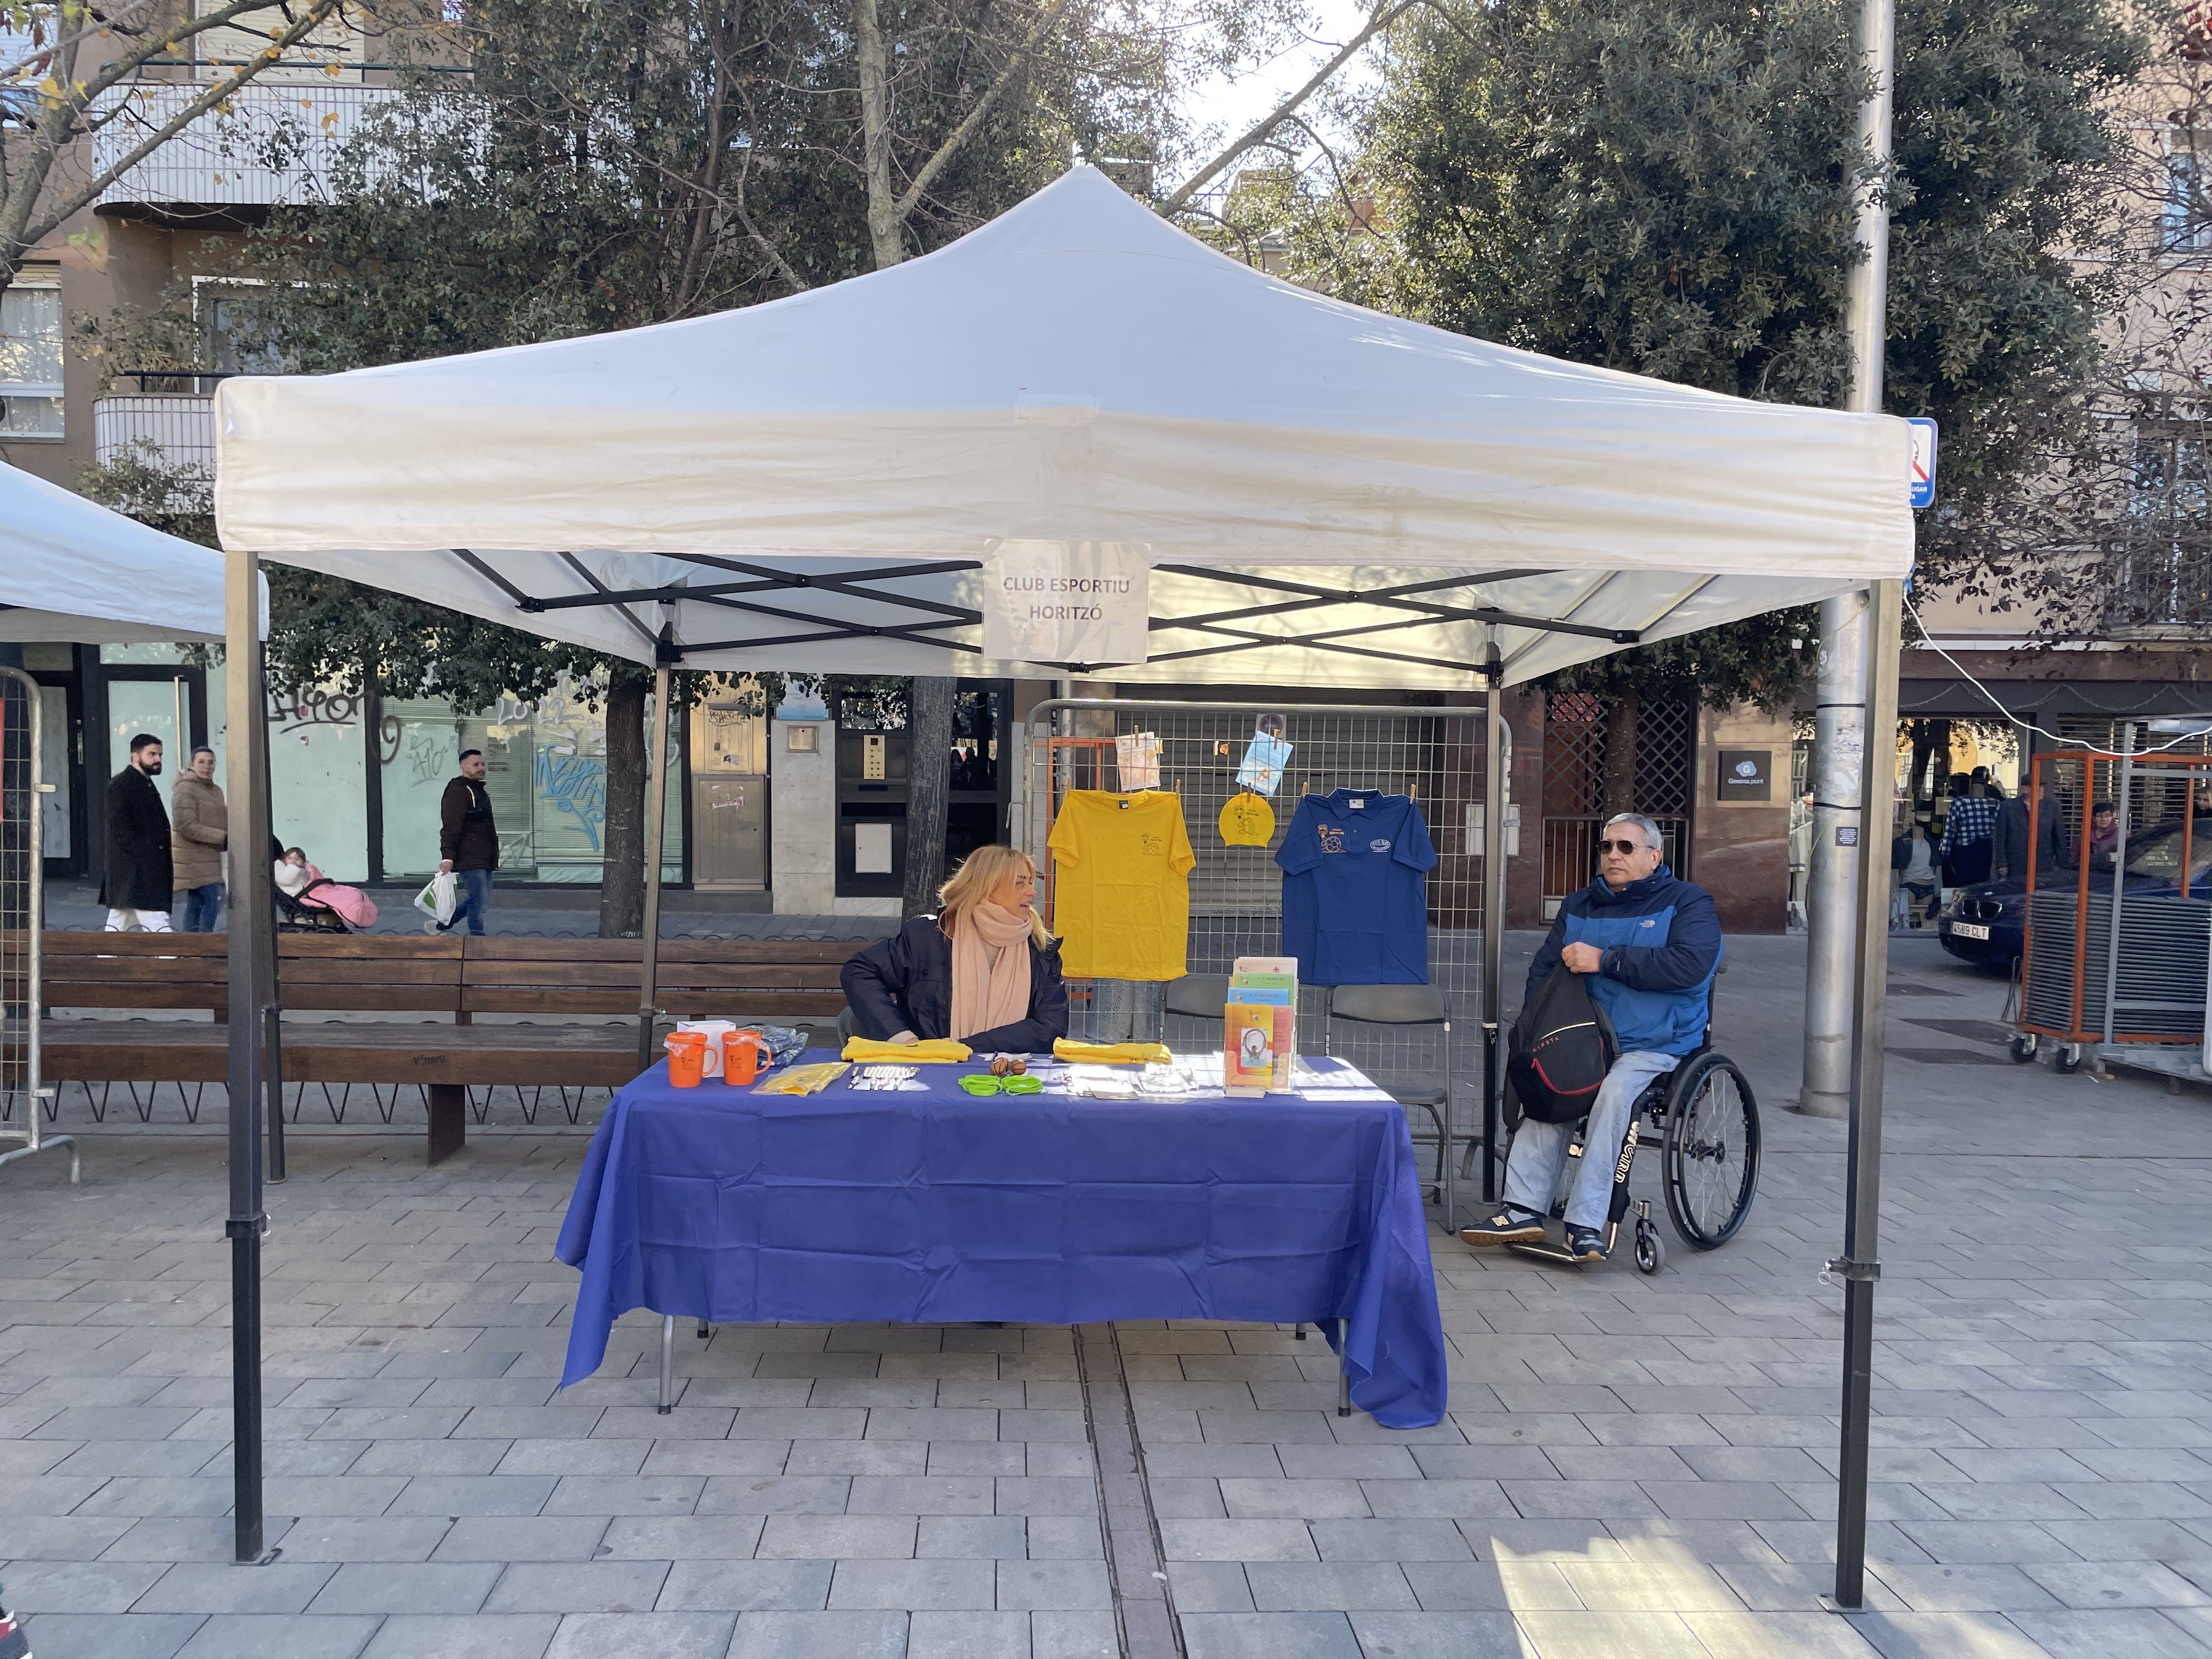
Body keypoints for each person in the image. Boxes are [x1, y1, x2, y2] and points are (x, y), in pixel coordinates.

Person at [1460, 812, 1722, 1263]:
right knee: (1548, 1085)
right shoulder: (1580, 903)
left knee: (1614, 1095)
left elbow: (1691, 966)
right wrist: (1535, 1028)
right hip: (1587, 1037)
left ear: (1655, 855)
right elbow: (1543, 969)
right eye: (1606, 847)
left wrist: (1607, 961)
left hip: (1654, 1042)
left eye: (1626, 847)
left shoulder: (1688, 902)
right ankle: (1522, 1208)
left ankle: (1585, 1223)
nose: (1613, 855)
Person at [841, 843, 1069, 1052]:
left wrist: (963, 1048)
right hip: (929, 1071)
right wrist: (903, 1039)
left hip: (1008, 1076)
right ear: (986, 888)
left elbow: (1050, 1028)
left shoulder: (1041, 951)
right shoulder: (928, 937)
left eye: (1030, 882)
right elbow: (860, 971)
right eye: (1020, 882)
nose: (1032, 891)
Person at [101, 733, 174, 932]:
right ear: (135, 756)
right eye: (152, 754)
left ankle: (104, 961)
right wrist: (146, 857)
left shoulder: (142, 783)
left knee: (118, 926)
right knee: (158, 924)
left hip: (136, 873)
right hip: (138, 873)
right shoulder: (123, 785)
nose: (158, 759)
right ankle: (172, 962)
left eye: (160, 754)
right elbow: (122, 830)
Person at [432, 747, 498, 936]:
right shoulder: (459, 792)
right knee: (478, 900)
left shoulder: (478, 791)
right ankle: (477, 938)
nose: (481, 768)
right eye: (476, 765)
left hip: (484, 856)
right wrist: (448, 857)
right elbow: (451, 826)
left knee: (481, 901)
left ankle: (442, 926)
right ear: (463, 767)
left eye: (483, 764)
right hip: (470, 856)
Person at [171, 745, 228, 932]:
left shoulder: (216, 791)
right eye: (202, 762)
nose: (207, 767)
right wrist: (222, 838)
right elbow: (185, 825)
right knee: (214, 899)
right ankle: (203, 944)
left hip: (210, 857)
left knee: (197, 903)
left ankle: (193, 948)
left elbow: (222, 820)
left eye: (211, 762)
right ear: (192, 765)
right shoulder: (185, 789)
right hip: (193, 858)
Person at [278, 847, 380, 929]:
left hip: (318, 888)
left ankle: (360, 908)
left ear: (304, 862)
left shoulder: (306, 869)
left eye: (297, 859)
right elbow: (286, 879)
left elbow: (316, 877)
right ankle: (356, 911)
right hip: (308, 894)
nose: (293, 862)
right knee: (340, 900)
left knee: (347, 893)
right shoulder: (285, 871)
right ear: (284, 861)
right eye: (290, 859)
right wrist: (292, 867)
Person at [1993, 780, 2064, 882]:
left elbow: (2059, 836)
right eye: (2037, 787)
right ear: (2026, 789)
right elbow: (2000, 837)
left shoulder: (2052, 807)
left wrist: (2060, 864)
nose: (2041, 790)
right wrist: (2002, 864)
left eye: (2042, 787)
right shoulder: (2008, 807)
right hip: (2016, 864)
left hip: (2044, 864)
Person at [1940, 772, 1999, 886]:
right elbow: (1998, 831)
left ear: (1971, 784)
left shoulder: (1959, 803)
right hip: (1986, 851)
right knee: (1983, 887)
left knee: (1965, 889)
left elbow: (1950, 830)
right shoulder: (1996, 804)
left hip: (1965, 851)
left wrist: (1945, 853)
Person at [1895, 821, 1938, 924]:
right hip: (1909, 884)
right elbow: (1897, 868)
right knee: (1907, 920)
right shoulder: (1903, 842)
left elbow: (1937, 866)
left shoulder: (1932, 842)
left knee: (1925, 922)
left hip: (1928, 884)